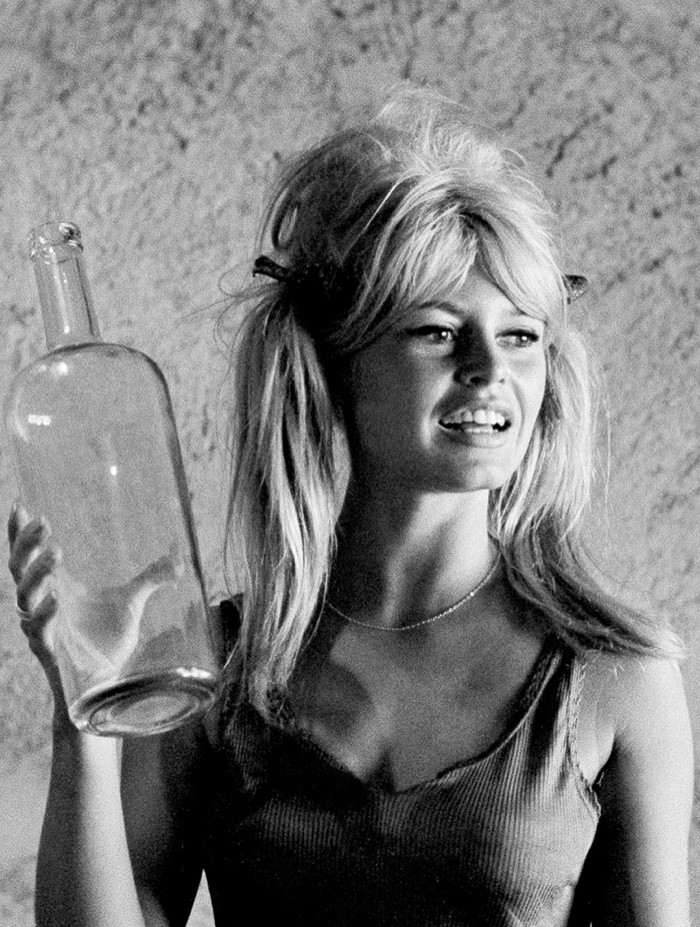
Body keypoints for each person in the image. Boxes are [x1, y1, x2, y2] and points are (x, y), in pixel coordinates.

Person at [7, 89, 693, 927]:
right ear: (337, 364)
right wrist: (82, 721)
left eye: (521, 334)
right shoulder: (219, 669)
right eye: (436, 331)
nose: (490, 369)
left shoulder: (615, 678)